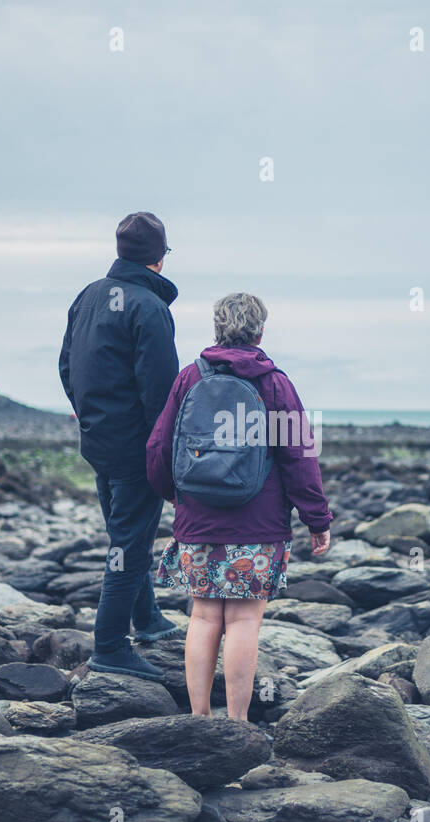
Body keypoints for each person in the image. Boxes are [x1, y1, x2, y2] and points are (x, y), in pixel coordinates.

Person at [146, 293, 332, 720]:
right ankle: (238, 722)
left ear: (216, 328)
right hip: (259, 526)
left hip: (198, 519)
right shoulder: (275, 383)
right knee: (244, 623)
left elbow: (159, 446)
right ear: (260, 331)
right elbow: (299, 454)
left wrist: (175, 496)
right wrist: (316, 518)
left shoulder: (189, 378)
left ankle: (198, 717)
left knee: (204, 617)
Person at [59, 212, 181, 681]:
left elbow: (66, 366)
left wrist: (90, 414)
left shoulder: (89, 296)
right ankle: (109, 645)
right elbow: (162, 395)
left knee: (126, 533)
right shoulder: (149, 309)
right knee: (129, 544)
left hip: (99, 440)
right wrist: (164, 455)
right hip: (134, 447)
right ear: (159, 258)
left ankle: (146, 618)